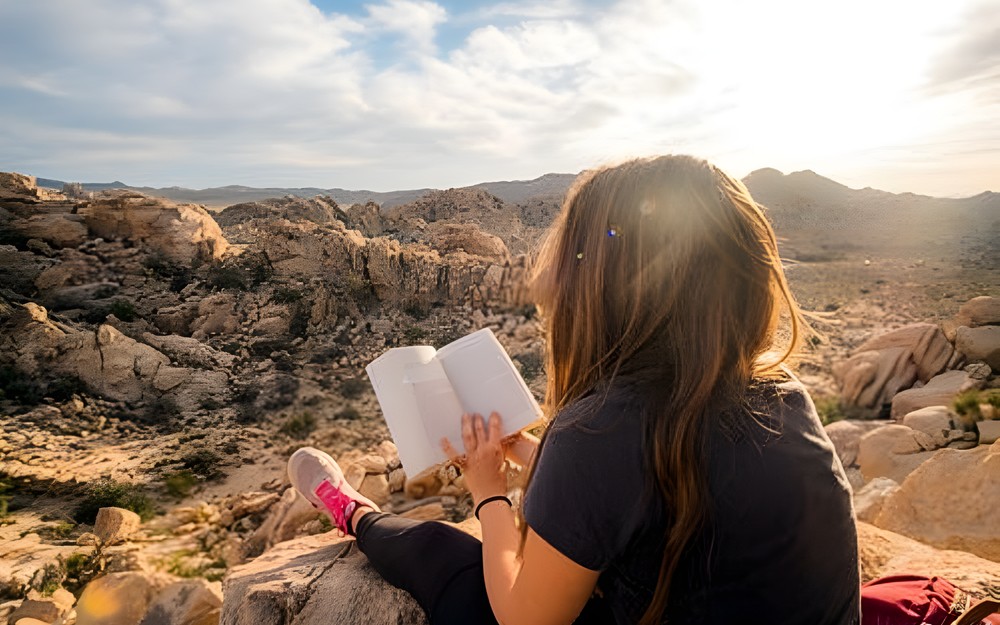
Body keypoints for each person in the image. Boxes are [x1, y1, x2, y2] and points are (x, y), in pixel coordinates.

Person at [288, 154, 860, 625]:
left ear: (602, 286)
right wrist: (537, 459)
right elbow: (663, 493)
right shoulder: (778, 393)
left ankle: (352, 513)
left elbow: (523, 620)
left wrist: (488, 493)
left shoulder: (601, 430)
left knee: (450, 560)